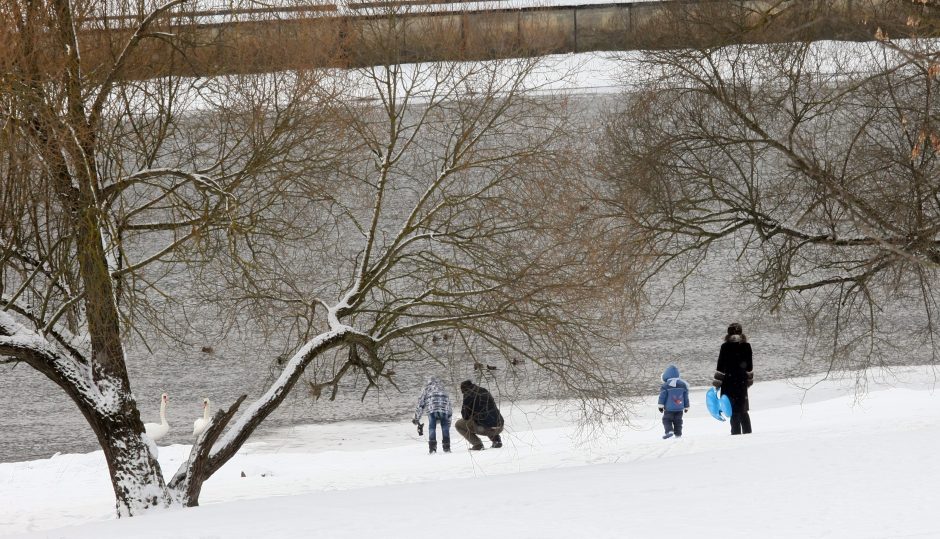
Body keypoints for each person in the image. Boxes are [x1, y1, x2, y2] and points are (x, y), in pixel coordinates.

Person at [713, 322, 754, 435]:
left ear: (728, 333)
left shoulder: (725, 346)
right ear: (741, 332)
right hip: (741, 382)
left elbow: (720, 367)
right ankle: (748, 434)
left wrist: (716, 385)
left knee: (733, 411)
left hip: (728, 383)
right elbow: (749, 367)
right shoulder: (746, 346)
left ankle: (735, 435)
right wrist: (748, 382)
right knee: (743, 410)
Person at [455, 380, 504, 450]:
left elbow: (465, 416)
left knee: (458, 425)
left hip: (486, 429)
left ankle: (478, 444)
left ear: (463, 389)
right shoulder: (484, 390)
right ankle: (496, 440)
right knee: (487, 418)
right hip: (500, 425)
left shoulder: (468, 395)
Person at [413, 376, 454, 454]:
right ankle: (447, 447)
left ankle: (432, 448)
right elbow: (449, 406)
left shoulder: (426, 388)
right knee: (445, 427)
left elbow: (420, 404)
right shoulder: (443, 389)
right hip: (444, 409)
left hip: (432, 409)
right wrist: (449, 422)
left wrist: (416, 418)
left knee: (432, 427)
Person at [657, 364, 689, 439]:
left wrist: (660, 406)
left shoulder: (665, 386)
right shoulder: (683, 384)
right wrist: (686, 406)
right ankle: (678, 434)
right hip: (679, 408)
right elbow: (685, 397)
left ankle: (669, 431)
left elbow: (662, 397)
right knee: (678, 421)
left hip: (669, 409)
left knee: (666, 420)